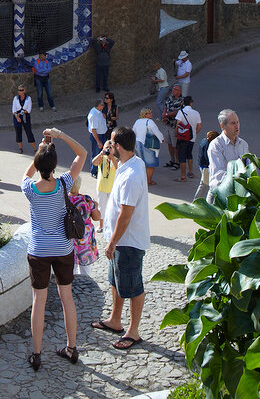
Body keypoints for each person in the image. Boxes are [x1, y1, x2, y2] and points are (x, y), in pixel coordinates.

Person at [21, 126, 87, 370]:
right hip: (62, 249)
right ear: (55, 165)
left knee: (39, 300)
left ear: (38, 164)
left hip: (38, 250)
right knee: (66, 297)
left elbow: (27, 174)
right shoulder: (63, 184)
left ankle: (37, 354)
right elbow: (82, 154)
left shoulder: (29, 189)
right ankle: (71, 348)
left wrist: (39, 150)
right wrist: (60, 135)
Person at [91, 126, 150, 351]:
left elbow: (126, 214)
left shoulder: (132, 176)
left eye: (111, 142)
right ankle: (115, 320)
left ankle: (133, 332)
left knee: (133, 285)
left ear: (118, 146)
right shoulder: (130, 163)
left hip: (128, 241)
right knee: (116, 281)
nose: (108, 144)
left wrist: (113, 242)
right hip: (121, 240)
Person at [208, 109, 249, 197]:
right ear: (223, 126)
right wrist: (239, 181)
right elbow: (218, 174)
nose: (237, 126)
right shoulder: (216, 145)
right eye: (233, 123)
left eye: (237, 122)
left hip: (240, 194)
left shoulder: (243, 144)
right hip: (219, 195)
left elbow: (249, 169)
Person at [69, 176, 99, 276]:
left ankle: (71, 288)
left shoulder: (63, 200)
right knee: (85, 270)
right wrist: (96, 206)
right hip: (84, 238)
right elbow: (97, 217)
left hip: (68, 237)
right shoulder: (86, 200)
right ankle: (85, 286)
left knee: (69, 268)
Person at [131, 107, 164, 186]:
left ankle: (142, 180)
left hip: (138, 144)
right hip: (148, 144)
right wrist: (162, 139)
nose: (151, 114)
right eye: (149, 113)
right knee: (150, 165)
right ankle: (148, 181)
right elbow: (156, 132)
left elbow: (133, 132)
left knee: (142, 163)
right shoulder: (150, 122)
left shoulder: (137, 121)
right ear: (145, 114)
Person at [174, 96, 202, 183]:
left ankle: (183, 176)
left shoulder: (181, 112)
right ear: (191, 103)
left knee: (182, 155)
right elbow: (199, 126)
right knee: (189, 154)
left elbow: (178, 124)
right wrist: (195, 132)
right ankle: (190, 172)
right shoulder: (196, 113)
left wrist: (176, 134)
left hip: (183, 137)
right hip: (192, 137)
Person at [92, 141, 118, 233]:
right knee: (102, 207)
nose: (109, 150)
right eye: (107, 147)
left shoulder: (116, 159)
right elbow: (94, 163)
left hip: (112, 188)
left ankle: (112, 225)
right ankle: (101, 225)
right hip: (101, 187)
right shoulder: (101, 158)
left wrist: (112, 157)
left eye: (111, 148)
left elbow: (118, 167)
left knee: (113, 207)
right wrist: (101, 154)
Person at [161, 84, 184, 169]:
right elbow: (165, 106)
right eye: (173, 89)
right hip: (167, 124)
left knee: (175, 145)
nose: (173, 90)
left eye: (175, 89)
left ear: (179, 91)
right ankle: (172, 160)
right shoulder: (170, 98)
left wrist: (167, 114)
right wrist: (164, 114)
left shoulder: (182, 100)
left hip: (175, 125)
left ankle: (178, 162)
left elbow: (178, 112)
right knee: (169, 143)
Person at [194, 129, 220, 200]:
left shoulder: (204, 141)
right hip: (206, 167)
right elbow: (208, 157)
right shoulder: (208, 145)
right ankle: (197, 200)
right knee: (205, 185)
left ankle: (197, 200)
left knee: (204, 184)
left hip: (202, 165)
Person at [12, 85, 37, 154]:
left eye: (21, 90)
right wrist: (17, 116)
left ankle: (35, 149)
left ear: (24, 91)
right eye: (19, 90)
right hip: (17, 116)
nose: (20, 91)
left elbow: (28, 110)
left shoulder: (28, 99)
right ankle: (20, 148)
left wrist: (20, 113)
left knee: (29, 131)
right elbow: (14, 109)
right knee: (18, 132)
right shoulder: (15, 98)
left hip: (25, 116)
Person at [87, 98, 107, 178]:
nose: (104, 106)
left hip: (102, 134)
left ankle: (99, 169)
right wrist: (98, 141)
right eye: (102, 105)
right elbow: (93, 130)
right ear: (99, 106)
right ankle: (94, 171)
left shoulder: (98, 112)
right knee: (96, 154)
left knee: (101, 153)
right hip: (97, 136)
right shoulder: (93, 115)